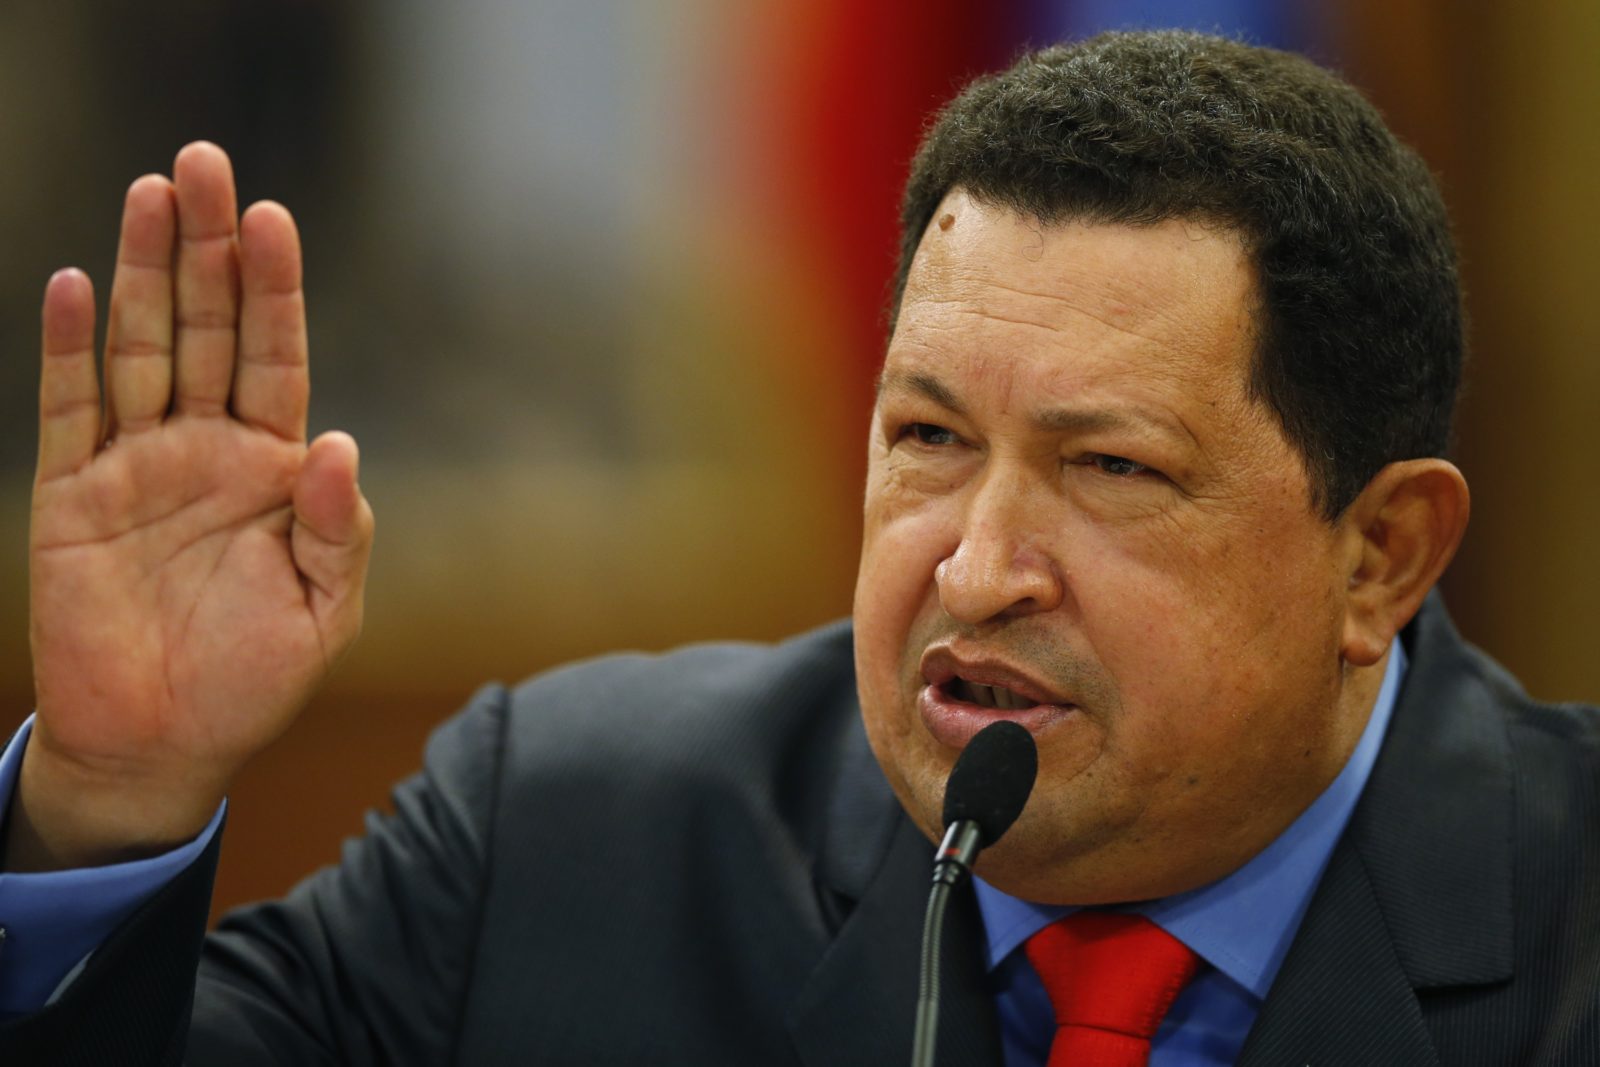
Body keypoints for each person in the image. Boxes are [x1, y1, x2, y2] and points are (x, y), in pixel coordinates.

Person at [2, 28, 1597, 1067]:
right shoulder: (564, 838)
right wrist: (106, 806)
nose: (974, 571)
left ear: (1382, 554)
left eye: (1109, 468)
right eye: (927, 439)